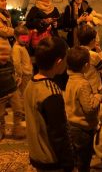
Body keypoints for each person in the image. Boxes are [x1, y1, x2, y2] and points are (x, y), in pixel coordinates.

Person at [23, 36, 75, 172]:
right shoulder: (51, 92)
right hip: (51, 159)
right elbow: (59, 134)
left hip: (36, 155)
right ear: (59, 62)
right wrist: (69, 164)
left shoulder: (30, 84)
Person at [65, 46, 102, 172]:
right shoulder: (83, 84)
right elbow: (89, 108)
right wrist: (97, 98)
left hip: (72, 124)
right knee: (85, 158)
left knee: (77, 155)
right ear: (86, 65)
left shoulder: (71, 79)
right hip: (83, 128)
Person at [0, 37, 25, 140]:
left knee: (18, 110)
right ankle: (1, 130)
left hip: (13, 90)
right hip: (1, 95)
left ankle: (17, 129)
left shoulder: (9, 64)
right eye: (1, 54)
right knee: (0, 115)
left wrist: (17, 79)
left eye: (7, 54)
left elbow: (12, 74)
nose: (4, 57)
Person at [77, 25, 102, 92]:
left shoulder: (76, 51)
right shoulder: (93, 55)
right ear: (92, 40)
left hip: (80, 85)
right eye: (95, 39)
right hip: (93, 86)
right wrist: (100, 52)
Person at [12, 25, 33, 108]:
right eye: (23, 38)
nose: (25, 40)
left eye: (26, 38)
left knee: (27, 93)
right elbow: (16, 63)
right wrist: (19, 75)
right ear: (16, 37)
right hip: (23, 75)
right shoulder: (16, 48)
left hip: (27, 73)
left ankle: (26, 109)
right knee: (23, 94)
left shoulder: (22, 46)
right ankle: (23, 111)